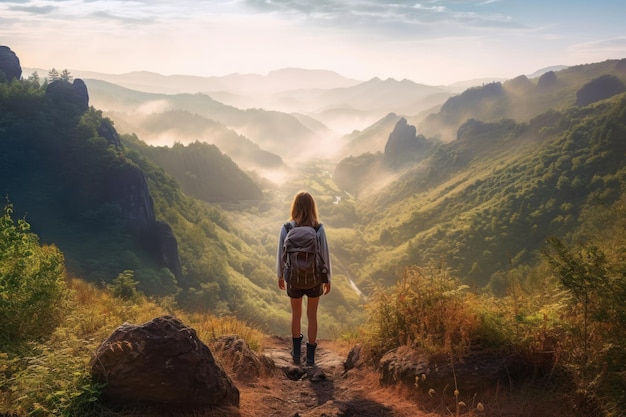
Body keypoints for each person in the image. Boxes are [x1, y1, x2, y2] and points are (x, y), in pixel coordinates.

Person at [276, 191, 331, 366]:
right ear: (312, 207)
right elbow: (324, 255)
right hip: (314, 279)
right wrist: (327, 279)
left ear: (295, 207)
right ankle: (311, 358)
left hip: (293, 278)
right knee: (312, 315)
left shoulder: (286, 228)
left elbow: (280, 255)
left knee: (296, 315)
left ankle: (296, 354)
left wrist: (280, 276)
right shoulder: (318, 228)